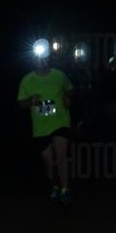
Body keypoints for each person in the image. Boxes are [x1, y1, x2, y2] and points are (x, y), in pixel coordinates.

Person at [17, 52, 74, 203]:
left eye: (44, 58)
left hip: (60, 121)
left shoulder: (59, 75)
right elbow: (21, 103)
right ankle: (54, 186)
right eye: (38, 58)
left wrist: (67, 97)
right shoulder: (27, 80)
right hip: (40, 126)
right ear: (33, 60)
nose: (41, 61)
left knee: (61, 156)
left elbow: (70, 89)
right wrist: (31, 101)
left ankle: (65, 189)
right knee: (48, 160)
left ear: (49, 59)